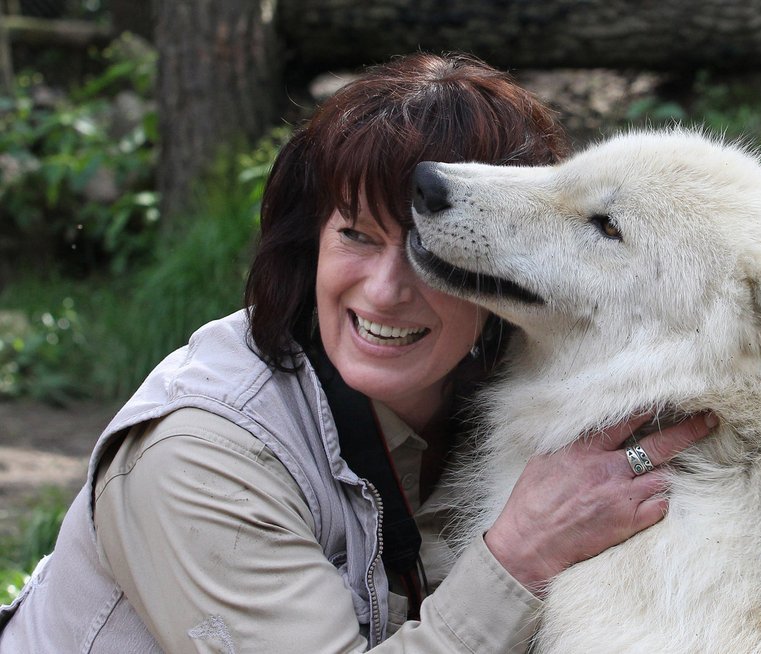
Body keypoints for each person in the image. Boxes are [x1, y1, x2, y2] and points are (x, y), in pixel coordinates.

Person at [0, 53, 716, 653]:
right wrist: (519, 557)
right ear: (309, 237)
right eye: (357, 235)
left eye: (426, 251)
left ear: (512, 272)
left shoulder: (514, 387)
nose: (383, 292)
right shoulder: (194, 456)